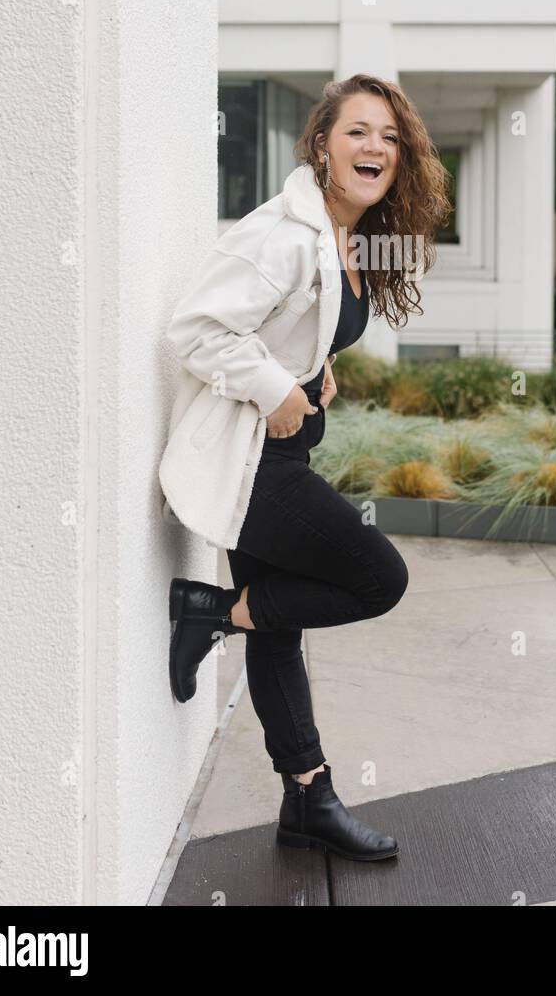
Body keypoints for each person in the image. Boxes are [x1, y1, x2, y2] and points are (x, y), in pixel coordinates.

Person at [165, 73, 451, 861]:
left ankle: (306, 798)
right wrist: (273, 388)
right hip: (252, 460)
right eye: (358, 132)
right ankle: (212, 611)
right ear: (322, 143)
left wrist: (312, 369)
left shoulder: (342, 233)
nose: (376, 148)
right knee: (377, 578)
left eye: (391, 138)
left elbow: (282, 328)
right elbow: (195, 330)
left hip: (282, 447)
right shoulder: (285, 232)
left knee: (280, 629)